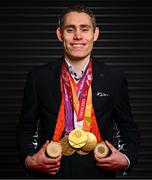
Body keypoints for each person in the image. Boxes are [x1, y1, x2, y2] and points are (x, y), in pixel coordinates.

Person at [16, 5, 139, 178]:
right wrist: (30, 160)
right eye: (70, 29)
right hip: (51, 173)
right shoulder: (38, 77)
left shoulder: (114, 78)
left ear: (95, 34)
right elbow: (26, 127)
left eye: (84, 29)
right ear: (60, 34)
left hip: (99, 173)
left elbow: (127, 127)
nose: (78, 36)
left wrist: (126, 158)